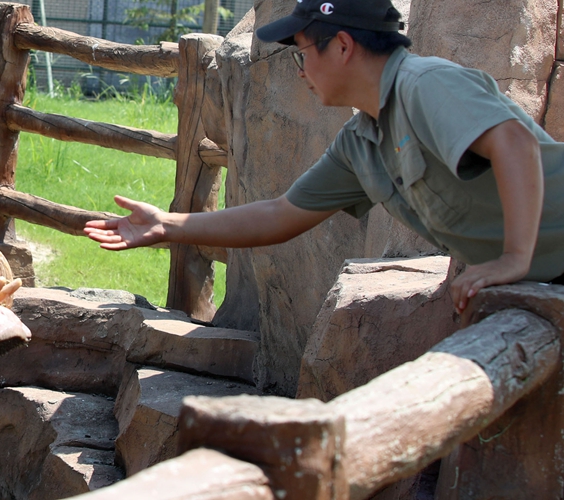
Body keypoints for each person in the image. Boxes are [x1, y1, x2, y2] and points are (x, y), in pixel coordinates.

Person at [84, 0, 564, 314]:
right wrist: (169, 226)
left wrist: (513, 259)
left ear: (342, 45)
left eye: (301, 53)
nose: (300, 71)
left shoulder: (424, 83)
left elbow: (515, 143)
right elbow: (281, 213)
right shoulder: (362, 141)